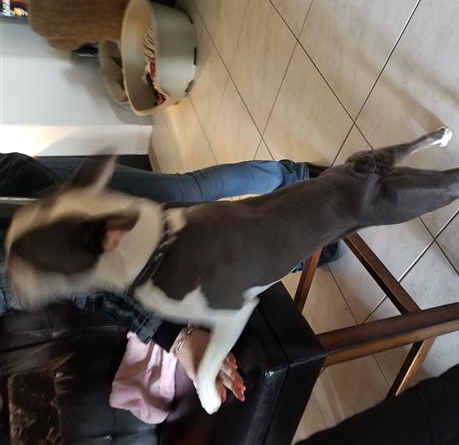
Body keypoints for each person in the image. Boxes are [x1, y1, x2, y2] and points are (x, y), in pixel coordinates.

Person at [0, 152, 338, 403]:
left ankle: (295, 175)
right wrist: (180, 340)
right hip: (74, 240)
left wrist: (176, 338)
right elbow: (86, 288)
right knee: (216, 243)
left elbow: (86, 288)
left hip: (29, 192)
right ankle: (314, 244)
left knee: (187, 192)